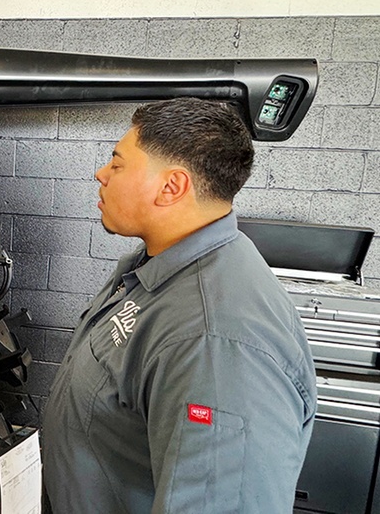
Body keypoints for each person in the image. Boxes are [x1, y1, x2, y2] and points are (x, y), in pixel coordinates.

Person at [42, 97, 317, 513]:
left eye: (117, 164)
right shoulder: (155, 266)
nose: (101, 174)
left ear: (172, 187)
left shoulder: (216, 343)